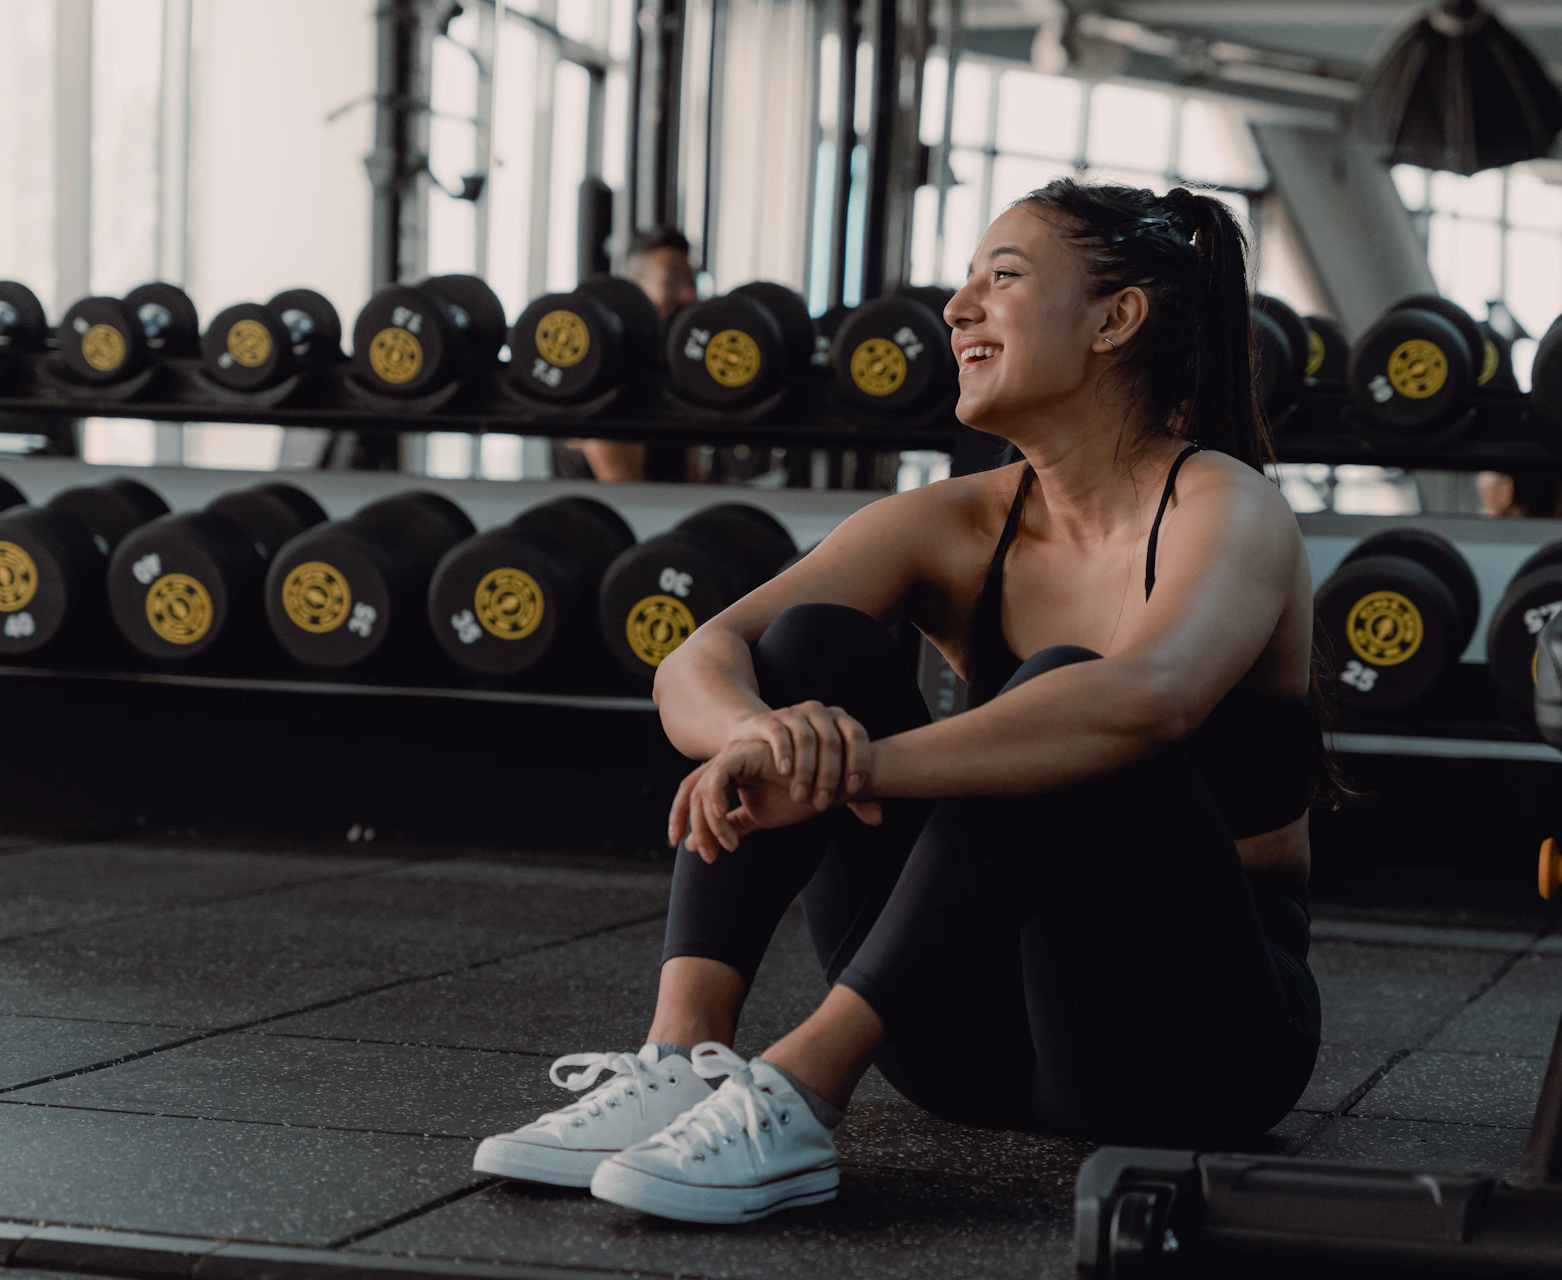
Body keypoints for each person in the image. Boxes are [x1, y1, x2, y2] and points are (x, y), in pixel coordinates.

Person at [476, 179, 1323, 1223]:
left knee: (1063, 693)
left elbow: (1146, 699)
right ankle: (680, 1058)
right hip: (960, 1044)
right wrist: (763, 736)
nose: (957, 308)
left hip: (1188, 1046)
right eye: (965, 281)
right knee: (805, 647)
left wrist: (856, 766)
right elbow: (700, 653)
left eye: (1001, 277)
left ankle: (800, 1082)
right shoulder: (957, 520)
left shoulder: (1227, 505)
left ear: (1117, 317)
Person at [557, 227, 698, 483]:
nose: (690, 294)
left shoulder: (670, 378)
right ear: (633, 290)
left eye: (692, 281)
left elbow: (693, 482)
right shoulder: (607, 383)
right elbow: (633, 499)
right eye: (673, 280)